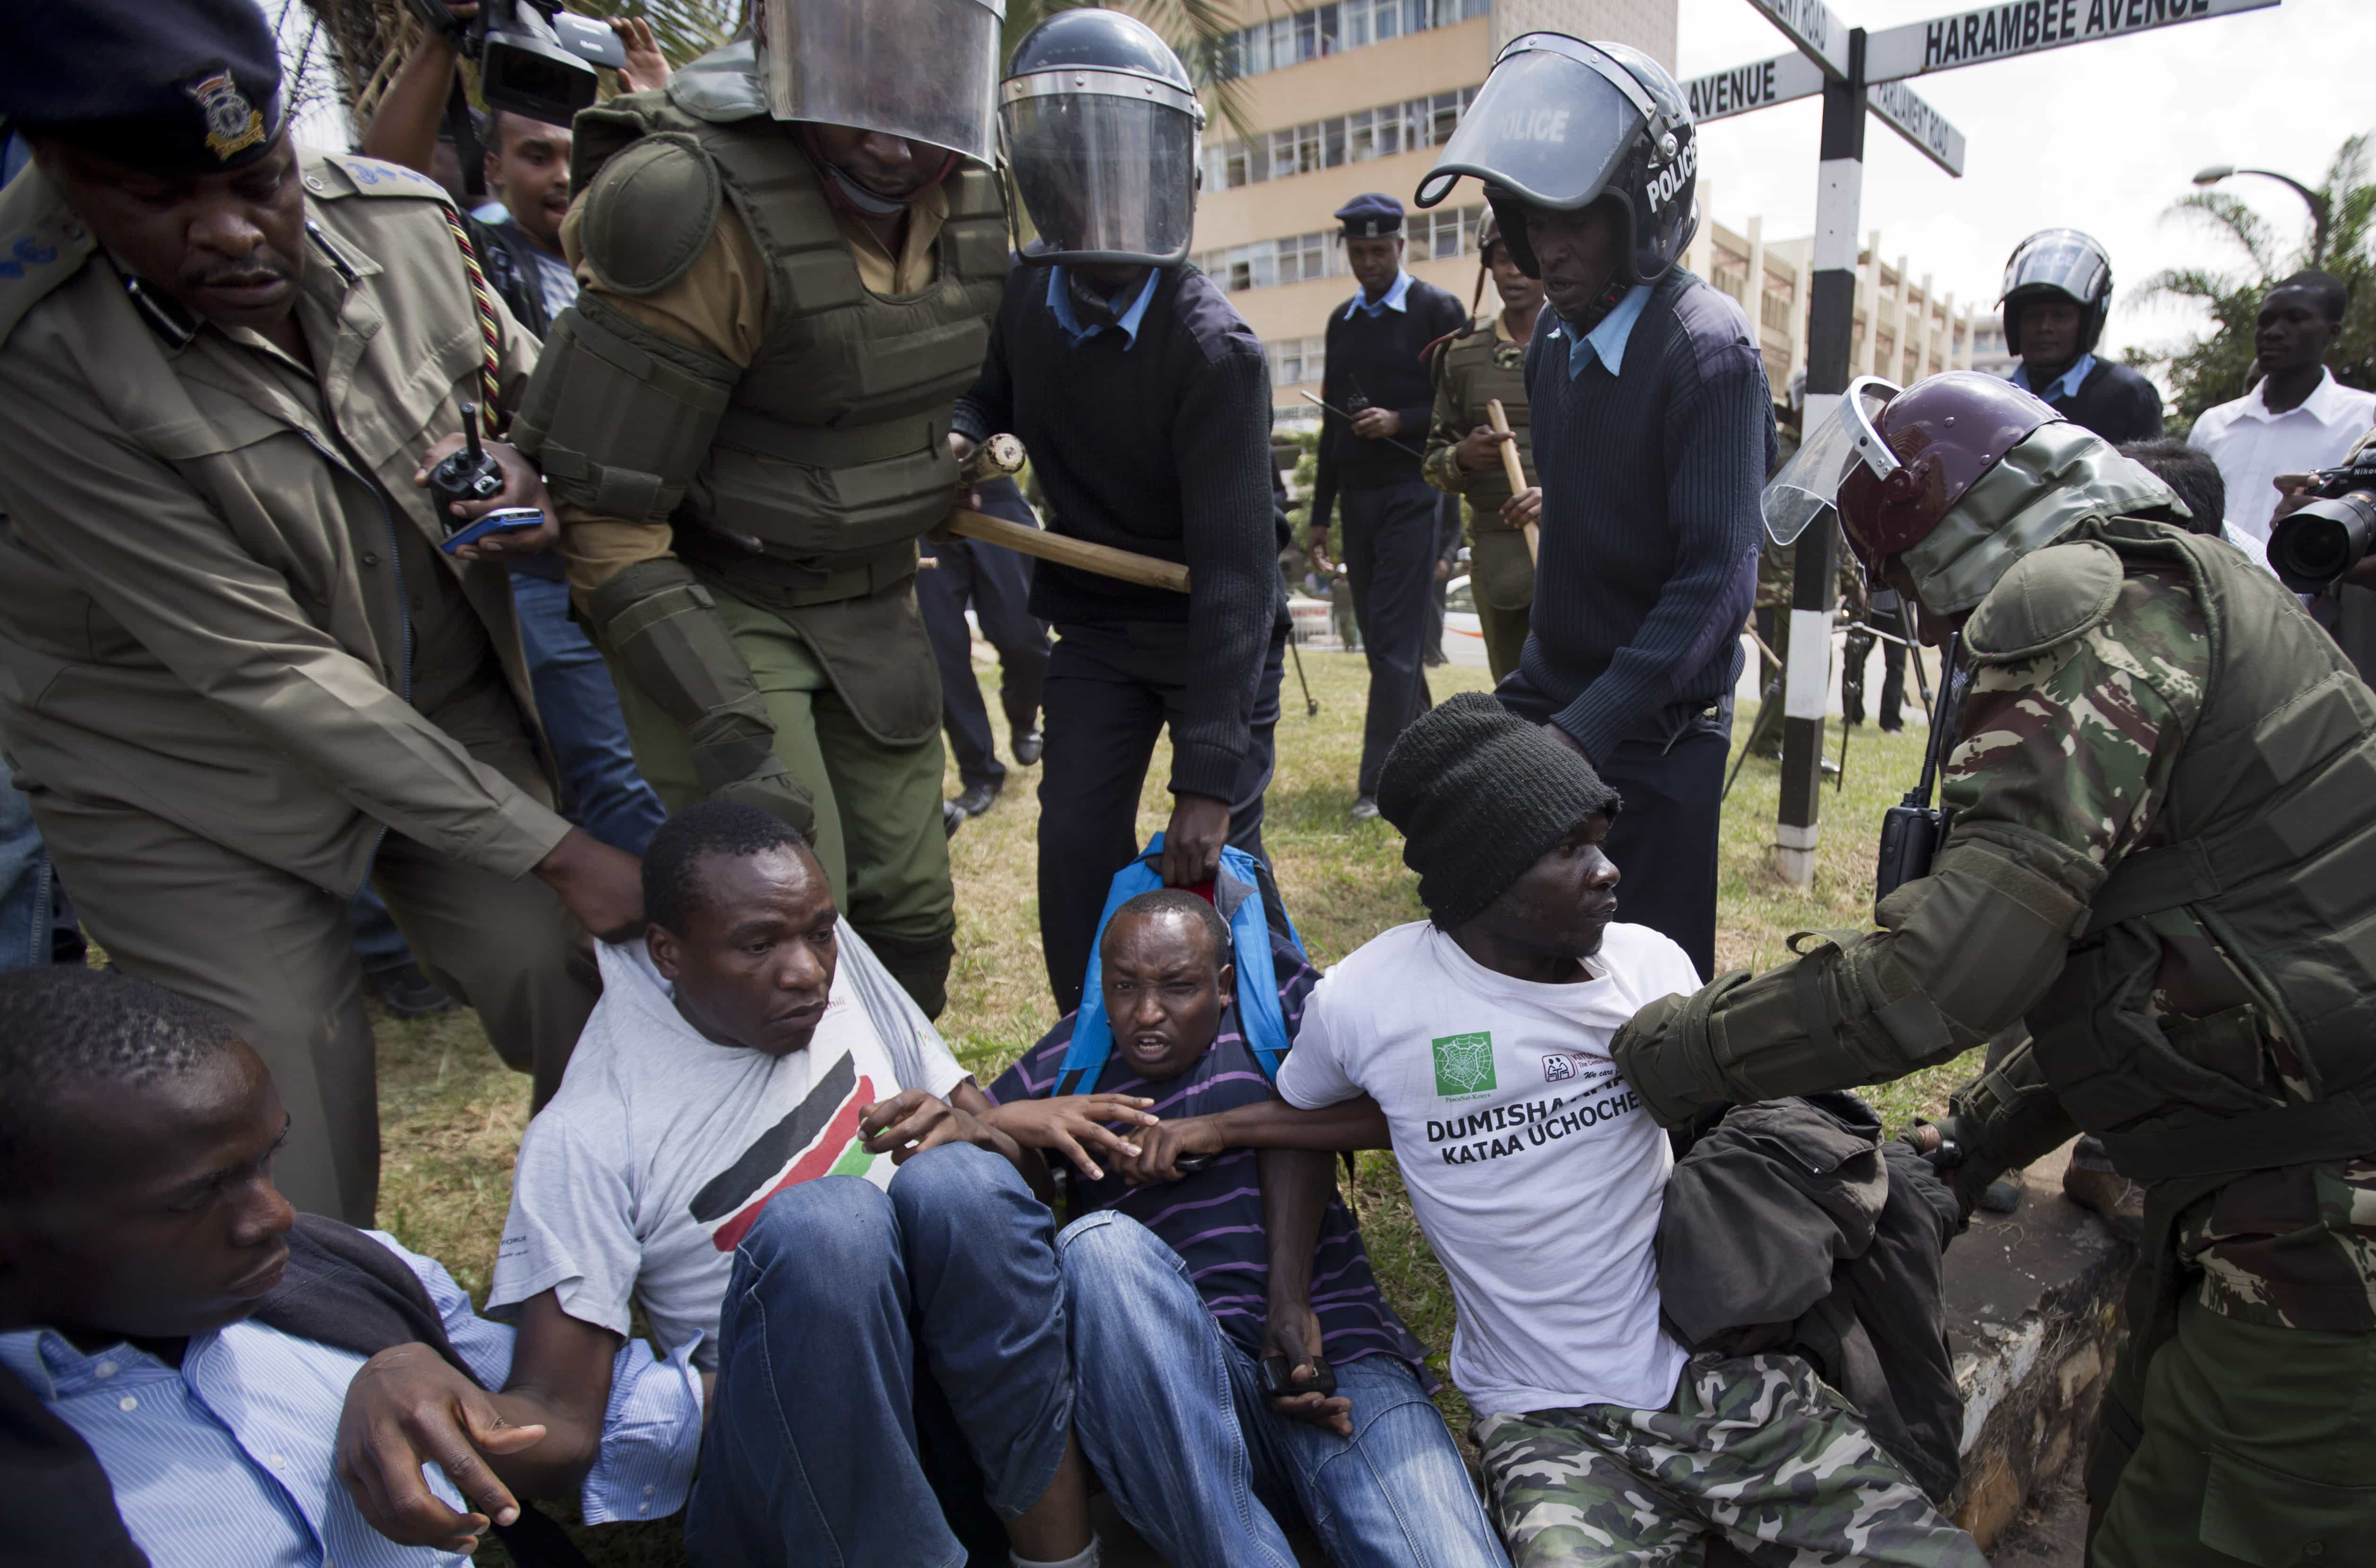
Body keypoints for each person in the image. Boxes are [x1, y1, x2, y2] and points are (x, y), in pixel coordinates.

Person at [1616, 370, 2376, 1567]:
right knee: (2140, 1502)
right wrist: (1966, 1146)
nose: (1916, 621)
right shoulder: (2174, 585)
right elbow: (2140, 967)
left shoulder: (2081, 600)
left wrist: (1675, 1047)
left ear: (1953, 538)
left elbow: (1951, 970)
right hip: (2263, 1185)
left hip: (2325, 1215)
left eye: (1906, 583)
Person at [0, 0, 638, 1226]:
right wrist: (558, 846)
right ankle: (328, 1374)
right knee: (268, 1113)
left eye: (263, 180)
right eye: (166, 199)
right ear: (72, 178)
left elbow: (532, 399)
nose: (239, 232)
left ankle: (641, 1291)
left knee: (583, 977)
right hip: (182, 768)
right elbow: (264, 666)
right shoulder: (36, 353)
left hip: (434, 702)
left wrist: (532, 470)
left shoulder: (401, 229)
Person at [1196, 694, 1983, 1567]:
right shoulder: (1369, 1000)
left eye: (1600, 841)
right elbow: (1300, 1121)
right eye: (1570, 849)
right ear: (1479, 873)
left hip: (1718, 1378)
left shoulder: (1649, 968)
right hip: (1542, 1421)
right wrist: (1288, 1299)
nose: (1607, 869)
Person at [511, 0, 1016, 1017]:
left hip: (873, 597)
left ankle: (890, 1129)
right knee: (786, 914)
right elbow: (606, 515)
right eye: (856, 85)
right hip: (718, 596)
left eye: (919, 87)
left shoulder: (978, 196)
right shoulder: (692, 201)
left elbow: (954, 377)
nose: (886, 136)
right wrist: (721, 717)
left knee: (911, 911)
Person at [466, 799, 1099, 1568]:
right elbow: (560, 1425)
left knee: (959, 1179)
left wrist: (982, 1136)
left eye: (819, 932)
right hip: (802, 1472)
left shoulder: (832, 957)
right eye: (757, 945)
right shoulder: (591, 1129)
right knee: (827, 1227)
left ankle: (1062, 1557)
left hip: (958, 1399)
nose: (806, 970)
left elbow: (1020, 1205)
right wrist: (422, 1412)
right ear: (667, 951)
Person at [0, 964, 700, 1568]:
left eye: (266, 1158)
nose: (274, 1213)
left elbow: (620, 1418)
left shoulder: (338, 1279)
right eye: (196, 1195)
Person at [981, 888, 1511, 1568]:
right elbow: (961, 1125)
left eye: (1177, 986)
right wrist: (1016, 1120)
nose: (1145, 1014)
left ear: (1224, 984)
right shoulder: (1079, 1053)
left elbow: (1412, 1109)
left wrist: (1227, 1131)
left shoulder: (1276, 1014)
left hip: (1333, 1361)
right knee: (1097, 1248)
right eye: (1122, 987)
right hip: (1180, 1395)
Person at [1413, 32, 1773, 982]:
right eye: (1528, 224)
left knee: (1646, 988)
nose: (1546, 252)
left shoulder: (1706, 351)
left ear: (1641, 214)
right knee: (1430, 780)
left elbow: (1712, 587)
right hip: (1558, 688)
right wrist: (1538, 714)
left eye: (1574, 222)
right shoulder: (1553, 347)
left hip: (1657, 726)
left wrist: (1579, 734)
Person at [951, 11, 1288, 1014]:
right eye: (1075, 167)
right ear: (1041, 178)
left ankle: (1259, 1050)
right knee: (1073, 845)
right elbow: (986, 393)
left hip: (1209, 634)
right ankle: (1083, 1042)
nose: (1103, 193)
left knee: (1220, 858)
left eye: (1128, 166)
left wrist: (1207, 780)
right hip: (1098, 627)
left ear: (1170, 177)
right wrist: (962, 434)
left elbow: (1235, 582)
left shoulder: (1214, 354)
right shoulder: (1023, 299)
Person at [359, 19, 674, 860]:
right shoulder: (476, 257)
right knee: (614, 778)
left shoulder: (642, 259)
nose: (564, 172)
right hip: (542, 567)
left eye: (579, 151)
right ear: (493, 169)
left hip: (659, 546)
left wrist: (657, 102)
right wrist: (437, 38)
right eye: (536, 154)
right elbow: (374, 194)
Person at [1307, 193, 1469, 819]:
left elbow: (1456, 413)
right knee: (1382, 643)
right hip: (1357, 498)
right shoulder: (1340, 322)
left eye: (1380, 250)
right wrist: (1320, 516)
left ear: (1401, 246)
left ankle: (1378, 785)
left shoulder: (1437, 309)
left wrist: (1399, 420)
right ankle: (1446, 755)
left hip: (1414, 492)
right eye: (1358, 251)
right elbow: (1329, 429)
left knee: (1399, 644)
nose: (1368, 262)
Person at [1424, 219, 1542, 684]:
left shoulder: (1588, 345)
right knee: (1516, 708)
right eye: (1501, 258)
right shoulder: (1461, 355)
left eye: (1523, 259)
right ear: (1488, 266)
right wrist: (1464, 457)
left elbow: (1622, 459)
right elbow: (1431, 464)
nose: (1513, 272)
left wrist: (1557, 496)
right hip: (1501, 561)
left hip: (1580, 556)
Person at [2187, 269, 2376, 549]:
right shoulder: (2213, 424)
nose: (2273, 332)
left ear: (2332, 333)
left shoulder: (2366, 420)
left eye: (2295, 319)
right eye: (2265, 321)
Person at [920, 475, 1049, 827]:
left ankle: (1024, 715)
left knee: (1025, 637)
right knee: (939, 650)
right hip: (922, 508)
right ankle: (980, 772)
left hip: (992, 495)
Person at [1998, 228, 2164, 445]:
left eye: (2060, 316)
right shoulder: (1995, 398)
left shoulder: (2131, 396)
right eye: (2033, 316)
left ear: (2087, 324)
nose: (2044, 327)